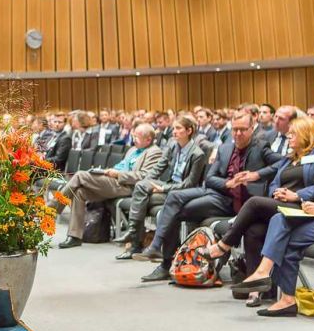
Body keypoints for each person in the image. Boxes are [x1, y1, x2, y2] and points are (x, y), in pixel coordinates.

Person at [132, 112, 282, 285]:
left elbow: (282, 162)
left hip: (242, 205)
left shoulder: (261, 147)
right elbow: (210, 178)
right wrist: (228, 183)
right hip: (219, 197)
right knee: (174, 203)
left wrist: (257, 175)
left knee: (175, 208)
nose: (238, 134)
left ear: (252, 129)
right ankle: (161, 256)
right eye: (235, 130)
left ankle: (164, 258)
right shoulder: (226, 148)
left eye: (242, 130)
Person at [200, 117, 314, 300]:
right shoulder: (288, 159)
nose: (289, 137)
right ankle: (257, 289)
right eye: (289, 134)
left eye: (293, 133)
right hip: (284, 206)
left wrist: (298, 195)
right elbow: (274, 182)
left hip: (305, 207)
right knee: (254, 230)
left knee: (254, 203)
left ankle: (224, 245)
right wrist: (275, 193)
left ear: (306, 134)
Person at [113, 115, 206, 279]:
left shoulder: (197, 154)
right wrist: (147, 180)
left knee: (161, 208)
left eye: (178, 128)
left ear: (189, 131)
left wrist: (163, 188)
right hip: (168, 187)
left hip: (180, 192)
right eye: (174, 128)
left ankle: (136, 238)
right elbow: (157, 169)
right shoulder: (172, 146)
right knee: (142, 186)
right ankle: (135, 234)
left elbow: (190, 184)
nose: (174, 131)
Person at [49, 123, 163, 249]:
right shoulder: (132, 150)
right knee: (79, 191)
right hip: (115, 182)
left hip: (129, 187)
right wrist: (107, 171)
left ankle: (52, 208)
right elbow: (120, 166)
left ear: (148, 139)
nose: (133, 139)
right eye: (133, 135)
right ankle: (75, 236)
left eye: (137, 137)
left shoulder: (154, 152)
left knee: (80, 175)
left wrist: (118, 174)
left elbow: (145, 176)